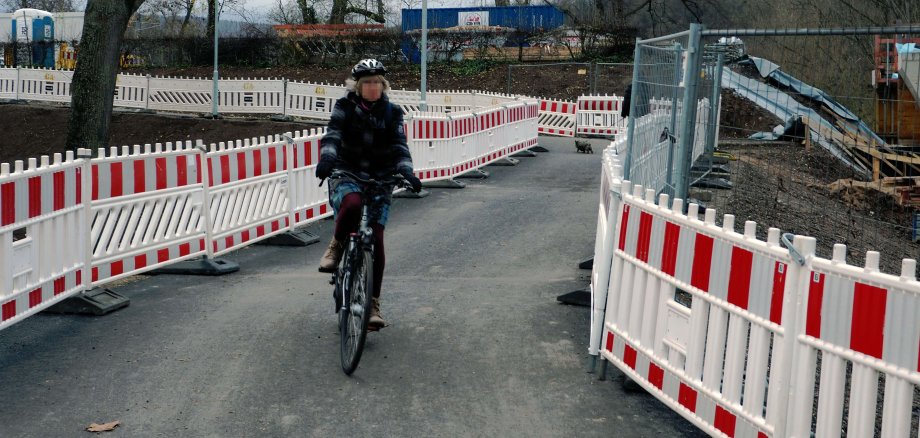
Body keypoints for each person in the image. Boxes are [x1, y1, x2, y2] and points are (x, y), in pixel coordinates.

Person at [315, 58, 422, 330]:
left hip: (381, 178)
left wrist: (407, 172)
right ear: (358, 86)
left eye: (377, 83)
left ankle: (373, 302)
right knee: (351, 204)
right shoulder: (345, 107)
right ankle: (337, 244)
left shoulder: (392, 113)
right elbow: (333, 136)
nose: (373, 87)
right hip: (347, 171)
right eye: (368, 83)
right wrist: (327, 160)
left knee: (377, 238)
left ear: (383, 86)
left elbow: (399, 146)